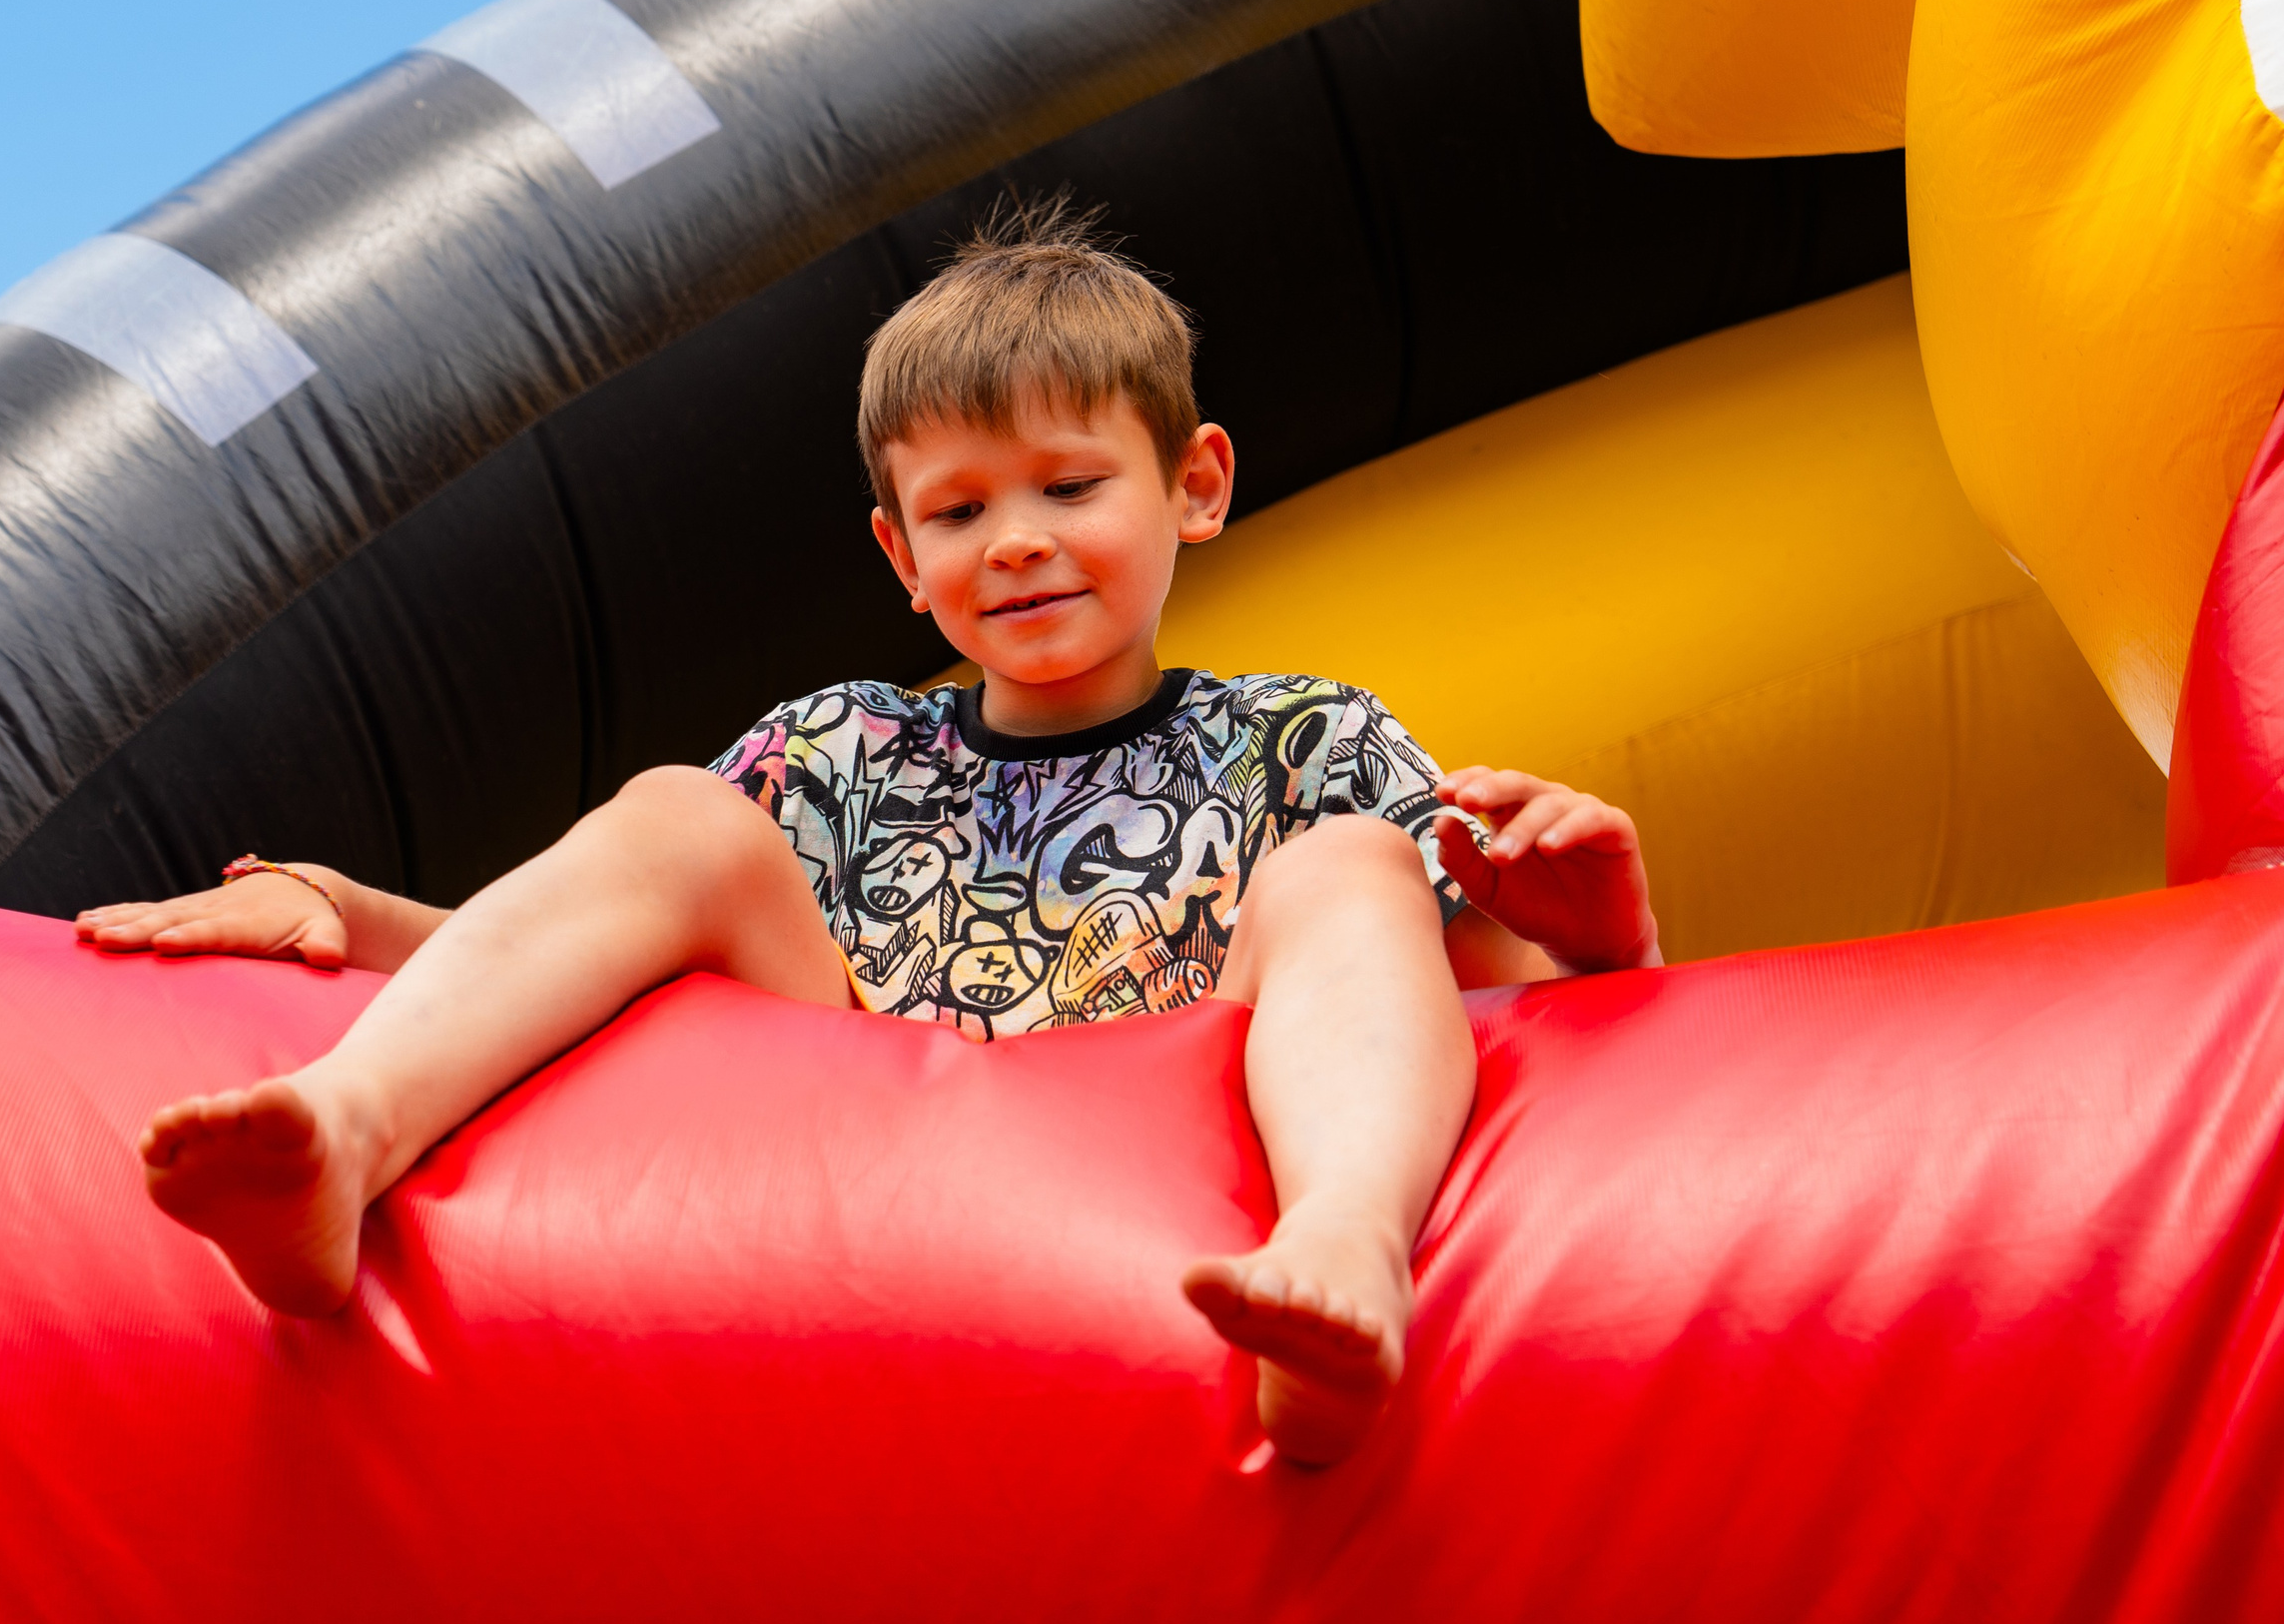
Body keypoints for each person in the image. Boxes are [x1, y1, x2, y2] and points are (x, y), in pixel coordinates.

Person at [80, 203, 1660, 1464]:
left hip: (1201, 1149)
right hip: (858, 1180)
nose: (1020, 540)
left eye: (1069, 483)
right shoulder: (840, 752)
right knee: (678, 815)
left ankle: (1342, 1261)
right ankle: (343, 1134)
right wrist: (362, 919)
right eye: (963, 513)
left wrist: (1599, 932)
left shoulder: (1299, 741)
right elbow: (599, 960)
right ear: (903, 555)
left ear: (1195, 484)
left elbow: (1475, 1006)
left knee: (1354, 864)